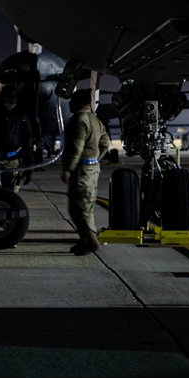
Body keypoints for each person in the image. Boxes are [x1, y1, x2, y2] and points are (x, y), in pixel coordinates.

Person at [61, 88, 110, 255]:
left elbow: (77, 147)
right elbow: (106, 143)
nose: (69, 104)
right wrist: (95, 158)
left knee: (78, 208)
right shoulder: (95, 119)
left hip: (82, 170)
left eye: (72, 101)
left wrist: (69, 168)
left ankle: (91, 240)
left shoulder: (80, 119)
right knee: (87, 206)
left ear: (79, 103)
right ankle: (83, 241)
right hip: (93, 169)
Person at [0, 84, 34, 192]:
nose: (12, 99)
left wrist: (29, 168)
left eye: (14, 96)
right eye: (9, 96)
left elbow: (28, 143)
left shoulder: (22, 118)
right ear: (3, 97)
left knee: (11, 194)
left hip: (13, 163)